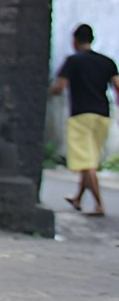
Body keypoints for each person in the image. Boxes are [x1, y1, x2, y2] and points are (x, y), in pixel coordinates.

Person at [49, 23, 119, 216]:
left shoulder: (73, 61)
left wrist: (47, 94)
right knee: (90, 158)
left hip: (81, 115)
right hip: (102, 115)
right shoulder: (108, 62)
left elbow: (60, 86)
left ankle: (99, 205)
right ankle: (78, 197)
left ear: (74, 40)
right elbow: (117, 86)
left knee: (87, 162)